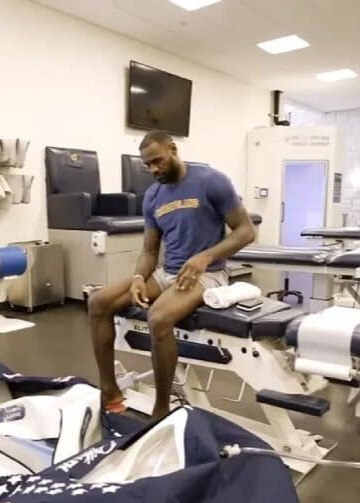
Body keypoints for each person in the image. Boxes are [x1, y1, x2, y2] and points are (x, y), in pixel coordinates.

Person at [88, 131, 257, 419]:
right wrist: (139, 277)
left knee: (159, 317)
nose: (154, 169)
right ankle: (109, 389)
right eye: (148, 165)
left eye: (158, 161)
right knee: (98, 302)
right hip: (166, 273)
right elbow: (150, 249)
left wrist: (205, 257)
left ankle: (162, 407)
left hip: (208, 275)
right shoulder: (153, 196)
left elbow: (247, 231)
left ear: (173, 149)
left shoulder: (210, 180)